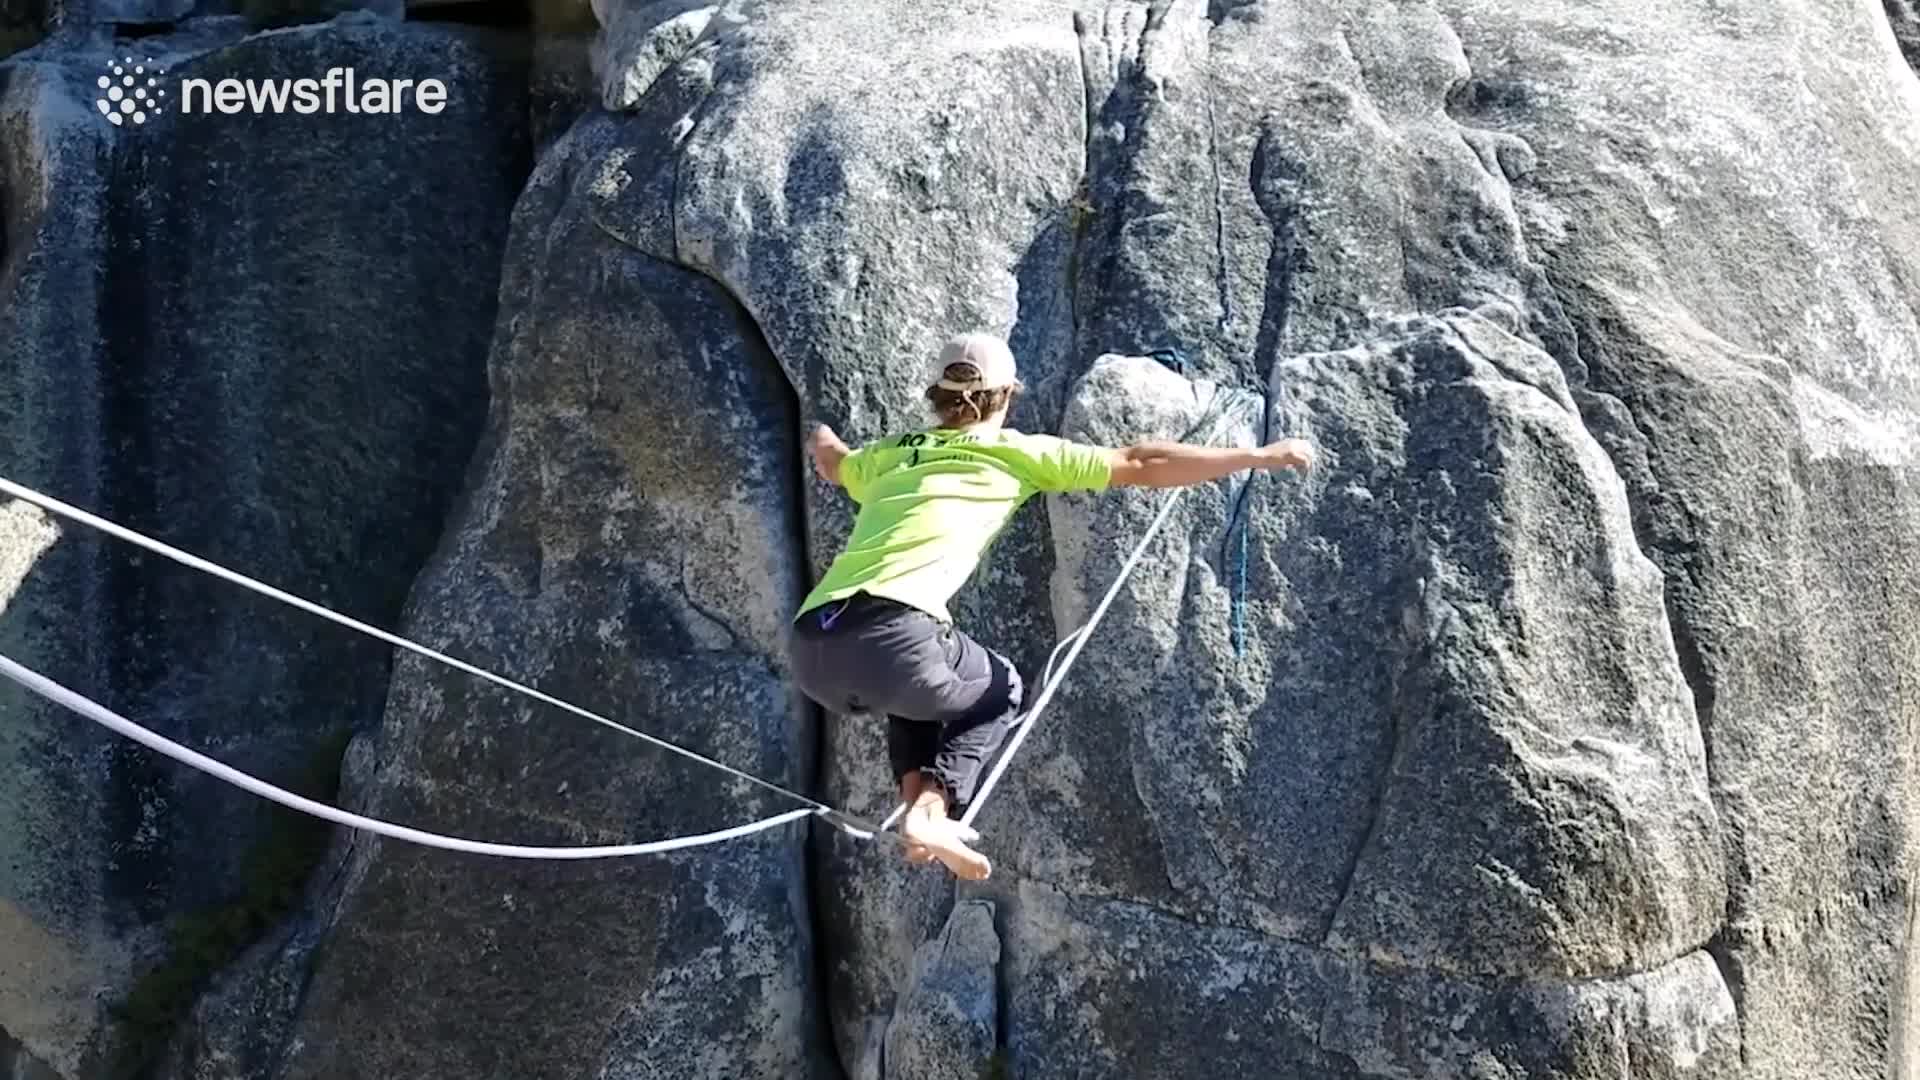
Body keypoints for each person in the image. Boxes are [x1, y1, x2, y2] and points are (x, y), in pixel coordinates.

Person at [788, 333, 1315, 880]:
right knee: (997, 690)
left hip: (813, 646)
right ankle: (929, 812)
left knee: (922, 694)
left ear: (938, 398)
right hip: (896, 634)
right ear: (1007, 396)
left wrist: (820, 436)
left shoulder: (890, 455)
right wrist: (1255, 456)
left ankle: (923, 811)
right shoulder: (1017, 452)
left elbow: (835, 463)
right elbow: (1139, 460)